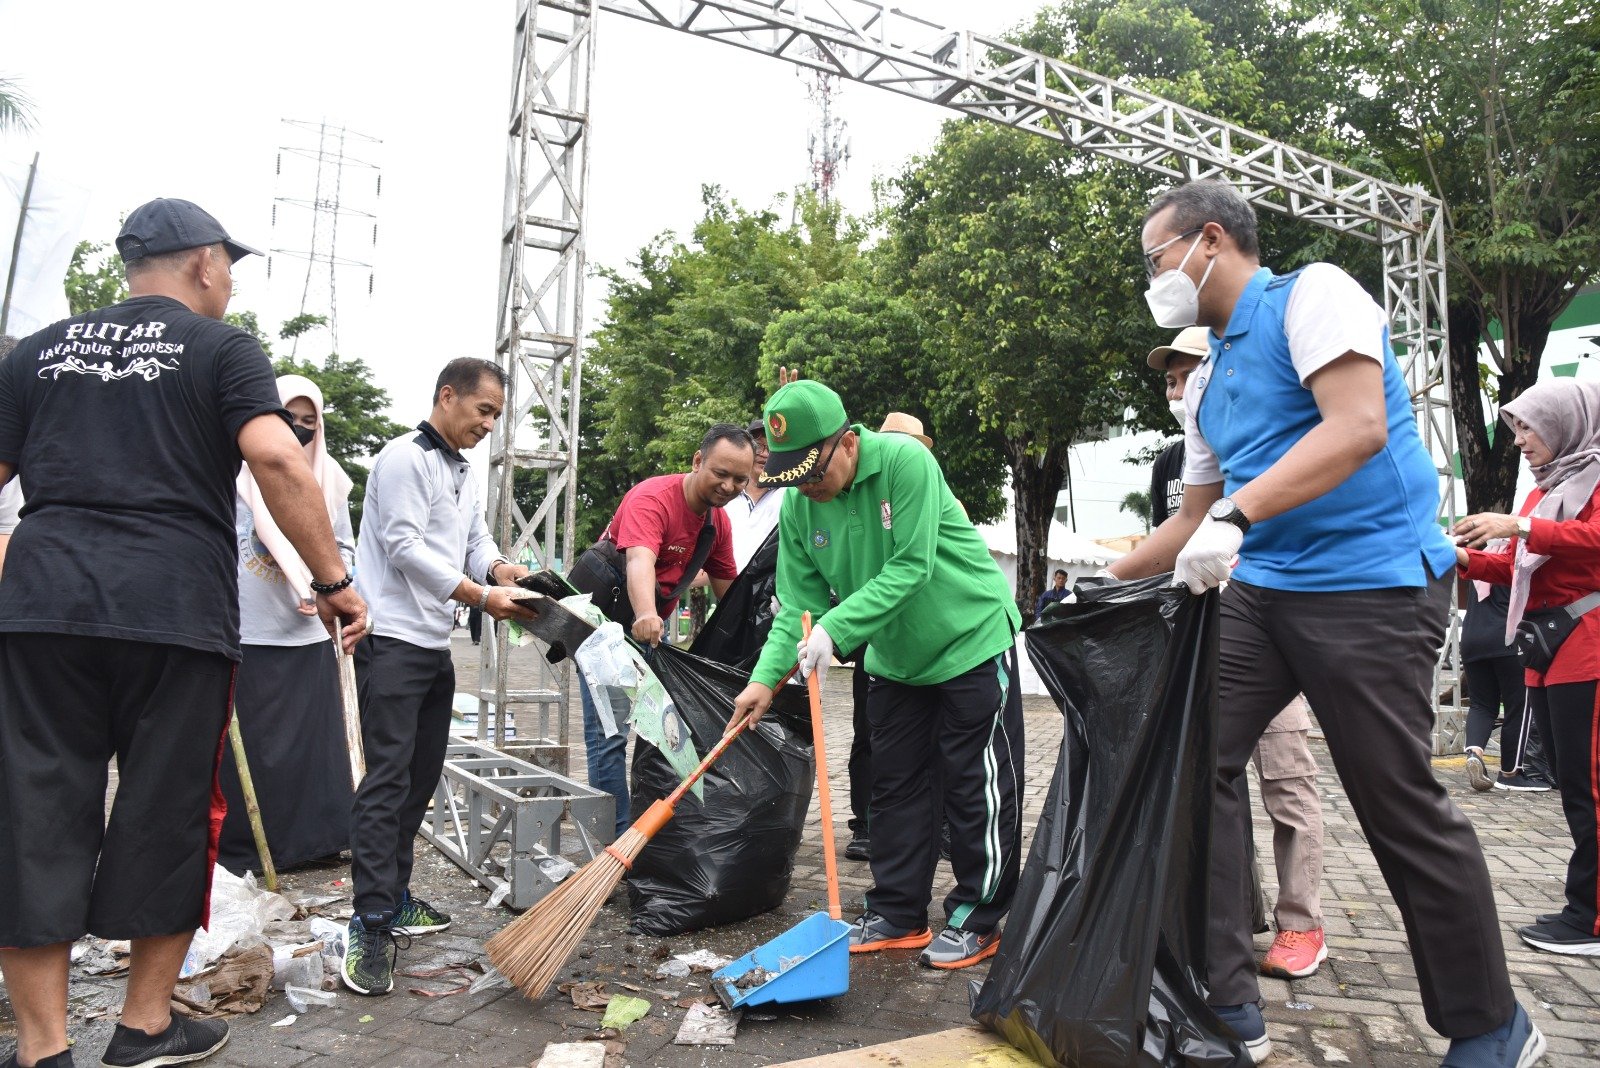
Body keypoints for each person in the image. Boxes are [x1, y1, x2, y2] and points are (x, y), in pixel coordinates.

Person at [1109, 180, 1535, 1066]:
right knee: (1196, 762)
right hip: (1266, 591)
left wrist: (1239, 517)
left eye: (1156, 261)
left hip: (1371, 584)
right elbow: (1190, 518)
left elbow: (1357, 428)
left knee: (1393, 796)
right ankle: (1228, 1003)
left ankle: (1494, 1024)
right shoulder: (1209, 377)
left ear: (1210, 241)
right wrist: (1097, 584)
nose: (1154, 279)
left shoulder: (1314, 295)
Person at [0, 198, 368, 1068]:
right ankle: (143, 1028)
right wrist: (335, 582)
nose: (231, 282)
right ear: (203, 262)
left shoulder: (38, 352)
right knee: (167, 809)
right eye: (230, 267)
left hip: (45, 607)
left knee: (32, 812)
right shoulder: (222, 349)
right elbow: (279, 459)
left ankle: (44, 1049)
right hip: (173, 612)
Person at [733, 380, 1025, 971]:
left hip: (969, 639)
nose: (808, 491)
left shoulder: (905, 463)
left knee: (975, 785)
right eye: (795, 480)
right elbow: (796, 604)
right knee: (894, 788)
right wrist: (765, 680)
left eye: (815, 475)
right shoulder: (798, 504)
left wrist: (834, 631)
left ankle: (980, 915)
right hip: (894, 659)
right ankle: (898, 912)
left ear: (846, 443)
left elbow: (911, 567)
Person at [345, 358, 536, 997]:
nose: (489, 425)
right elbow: (403, 547)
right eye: (483, 411)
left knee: (419, 778)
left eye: (496, 416)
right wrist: (480, 597)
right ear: (447, 396)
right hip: (391, 641)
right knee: (387, 779)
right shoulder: (403, 458)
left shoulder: (460, 470)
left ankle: (394, 896)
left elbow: (474, 541)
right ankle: (369, 922)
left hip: (433, 646)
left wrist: (503, 570)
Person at [1145, 327, 1330, 980]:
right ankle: (1217, 917)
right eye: (1169, 380)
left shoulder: (1267, 444)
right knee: (1203, 781)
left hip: (1268, 632)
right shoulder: (1174, 461)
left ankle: (1301, 922)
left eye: (1188, 373)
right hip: (1201, 639)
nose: (1177, 389)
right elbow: (1168, 539)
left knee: (1286, 779)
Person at [1454, 378, 1600, 956]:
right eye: (1515, 428)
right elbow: (1514, 567)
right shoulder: (1549, 488)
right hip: (1550, 648)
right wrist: (1461, 557)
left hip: (1586, 642)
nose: (1519, 440)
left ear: (1567, 423)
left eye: (1530, 426)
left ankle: (1590, 920)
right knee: (1572, 785)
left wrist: (1516, 526)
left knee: (1588, 787)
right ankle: (1583, 907)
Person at [219, 375, 358, 875]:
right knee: (246, 750)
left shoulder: (331, 479)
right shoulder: (233, 471)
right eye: (287, 418)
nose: (297, 430)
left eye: (308, 422)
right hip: (241, 628)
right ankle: (240, 848)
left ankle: (308, 843)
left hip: (304, 631)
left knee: (306, 748)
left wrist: (326, 582)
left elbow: (342, 547)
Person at [582, 424, 750, 837]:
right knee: (610, 737)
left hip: (651, 634)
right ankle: (615, 842)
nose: (728, 486)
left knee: (666, 733)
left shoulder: (718, 524)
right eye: (720, 473)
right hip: (603, 629)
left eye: (740, 480)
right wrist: (645, 613)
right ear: (697, 461)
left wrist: (756, 648)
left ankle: (653, 833)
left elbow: (731, 594)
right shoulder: (653, 497)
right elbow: (640, 560)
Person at [1460, 571, 1548, 792]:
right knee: (1517, 707)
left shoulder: (1481, 561)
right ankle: (1510, 773)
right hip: (1507, 640)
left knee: (1481, 704)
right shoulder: (1515, 561)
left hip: (1472, 639)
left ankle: (1475, 753)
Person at [723, 418, 787, 573]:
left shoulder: (790, 495)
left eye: (772, 447)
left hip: (776, 591)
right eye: (758, 446)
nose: (764, 454)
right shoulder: (726, 496)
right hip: (728, 591)